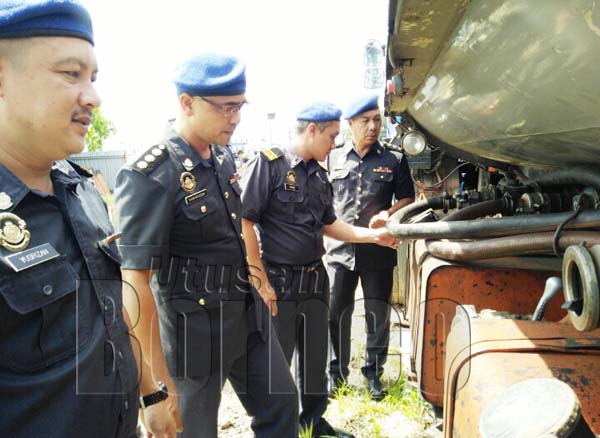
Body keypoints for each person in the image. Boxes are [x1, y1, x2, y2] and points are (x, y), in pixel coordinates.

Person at [0, 1, 176, 437]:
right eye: (70, 73)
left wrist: (150, 394)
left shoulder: (82, 189)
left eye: (93, 78)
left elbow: (112, 314)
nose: (93, 97)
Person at [113, 52, 298, 438]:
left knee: (281, 405)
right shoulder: (151, 175)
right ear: (187, 103)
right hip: (193, 339)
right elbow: (135, 281)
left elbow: (237, 228)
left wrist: (257, 275)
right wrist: (157, 385)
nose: (236, 117)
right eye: (226, 108)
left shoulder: (222, 155)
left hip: (246, 319)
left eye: (240, 106)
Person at [241, 101, 399, 438]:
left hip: (314, 278)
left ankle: (313, 420)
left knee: (314, 361)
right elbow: (245, 221)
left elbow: (330, 224)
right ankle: (276, 429)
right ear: (311, 130)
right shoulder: (269, 165)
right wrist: (260, 280)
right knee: (277, 365)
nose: (335, 144)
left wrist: (374, 236)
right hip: (279, 282)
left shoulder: (318, 174)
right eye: (331, 136)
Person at [326, 94, 415, 400]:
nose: (373, 126)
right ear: (350, 124)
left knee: (378, 316)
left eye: (377, 119)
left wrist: (388, 214)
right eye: (365, 120)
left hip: (378, 251)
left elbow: (407, 198)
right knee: (336, 314)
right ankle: (336, 376)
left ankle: (373, 376)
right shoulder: (333, 157)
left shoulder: (395, 159)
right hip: (339, 251)